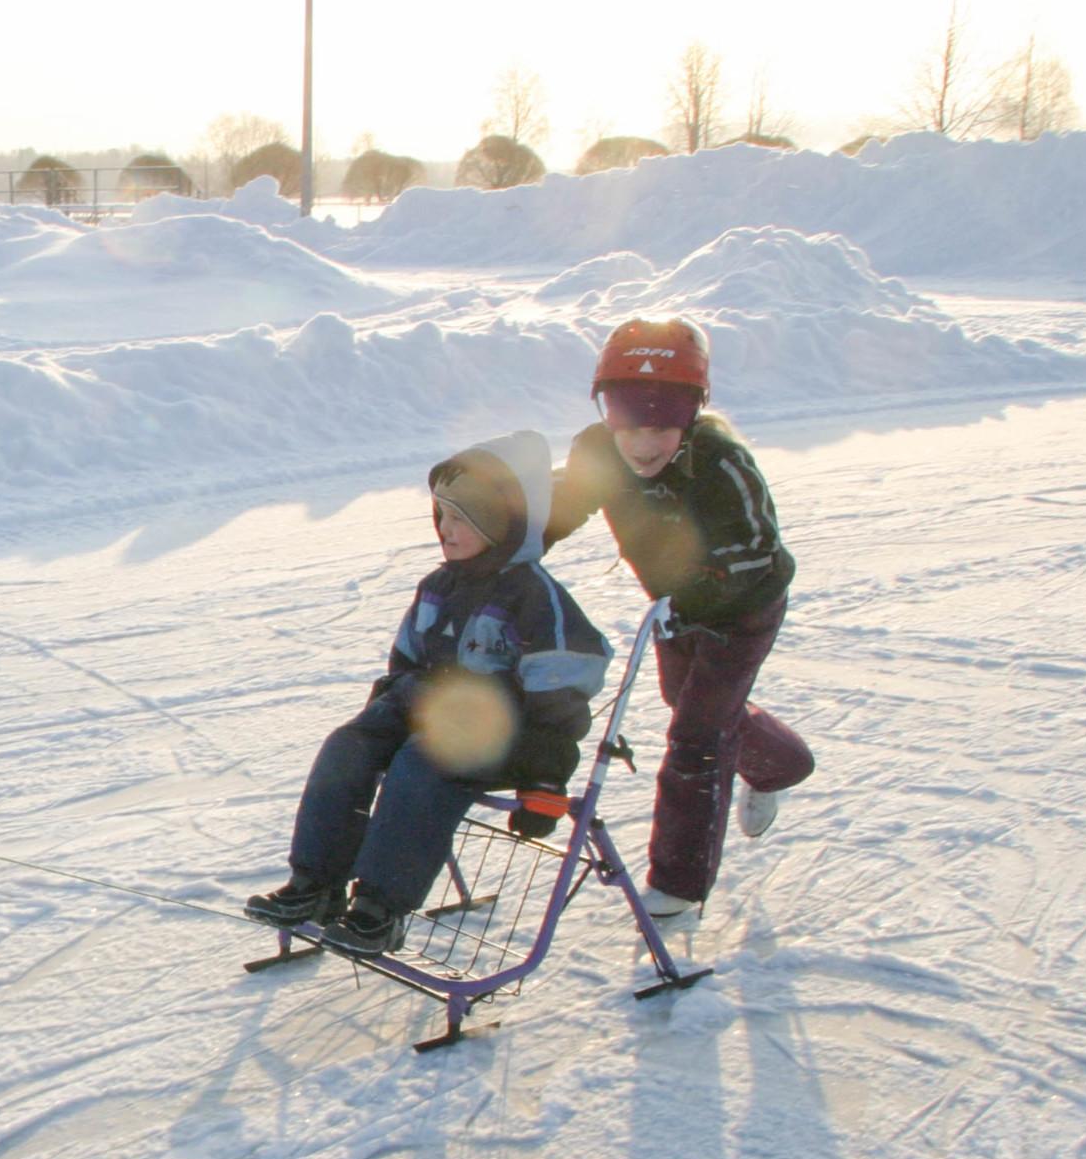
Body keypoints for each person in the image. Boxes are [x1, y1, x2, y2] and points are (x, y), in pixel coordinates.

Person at [248, 432, 611, 954]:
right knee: (347, 746)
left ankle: (380, 909)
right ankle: (316, 885)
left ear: (503, 522)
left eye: (462, 518)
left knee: (421, 764)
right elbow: (406, 663)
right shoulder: (439, 586)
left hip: (504, 735)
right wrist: (380, 722)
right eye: (441, 515)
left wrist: (545, 778)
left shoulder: (536, 596)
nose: (446, 529)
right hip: (432, 717)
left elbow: (562, 688)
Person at [546, 316, 814, 922]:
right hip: (676, 607)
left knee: (697, 736)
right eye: (628, 425)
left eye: (664, 426)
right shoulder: (598, 452)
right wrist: (501, 536)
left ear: (693, 414)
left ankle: (678, 884)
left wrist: (704, 581)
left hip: (742, 613)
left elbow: (753, 550)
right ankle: (782, 766)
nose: (644, 444)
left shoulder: (722, 466)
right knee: (686, 704)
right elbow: (562, 507)